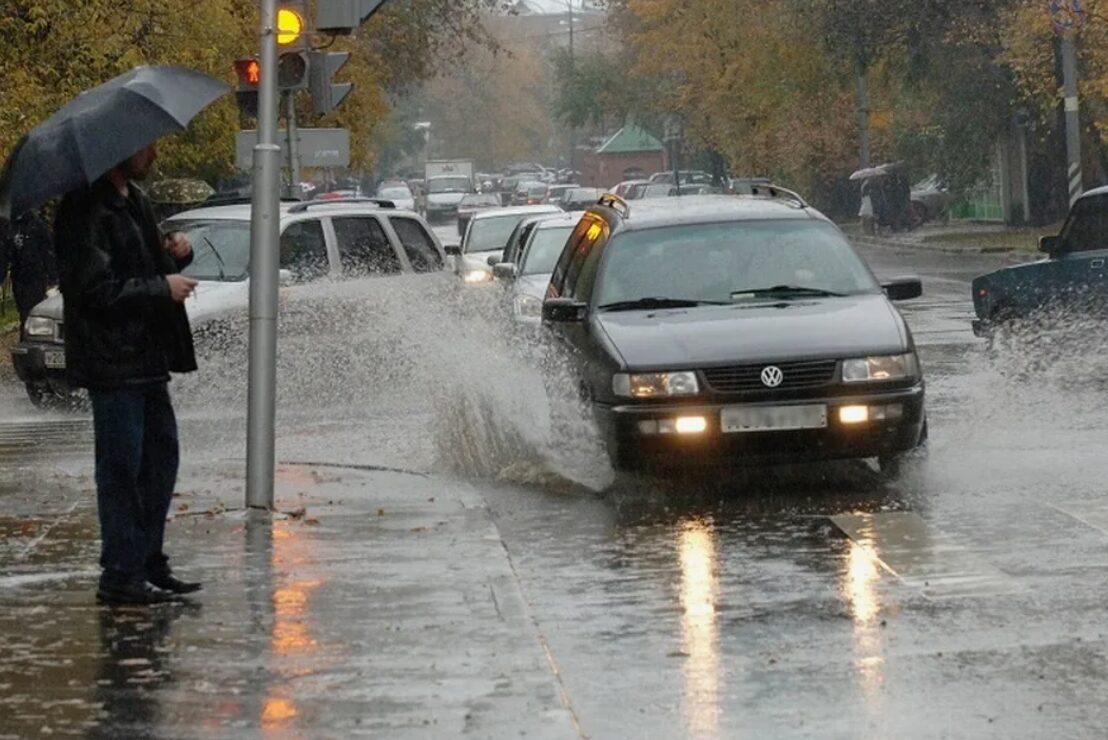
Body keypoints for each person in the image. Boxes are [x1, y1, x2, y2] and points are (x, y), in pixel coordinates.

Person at [55, 143, 202, 605]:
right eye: (147, 146)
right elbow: (94, 290)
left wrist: (176, 255)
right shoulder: (85, 207)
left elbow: (140, 265)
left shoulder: (134, 199)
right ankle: (121, 574)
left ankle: (148, 561)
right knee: (121, 469)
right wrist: (162, 287)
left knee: (160, 462)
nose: (154, 153)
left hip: (147, 359)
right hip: (113, 361)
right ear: (119, 148)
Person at [0, 209, 56, 335]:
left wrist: (53, 277)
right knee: (23, 310)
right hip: (19, 276)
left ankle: (29, 337)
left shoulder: (37, 226)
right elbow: (4, 253)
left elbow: (48, 252)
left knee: (32, 310)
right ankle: (26, 334)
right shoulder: (9, 228)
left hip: (36, 275)